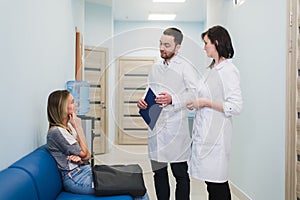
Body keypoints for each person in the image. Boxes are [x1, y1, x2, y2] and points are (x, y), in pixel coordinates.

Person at [46, 90, 149, 199]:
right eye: (72, 102)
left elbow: (86, 156)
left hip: (85, 170)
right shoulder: (57, 132)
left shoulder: (68, 127)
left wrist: (82, 158)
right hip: (76, 179)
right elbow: (85, 153)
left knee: (137, 183)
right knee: (136, 188)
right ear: (62, 107)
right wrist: (79, 127)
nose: (76, 104)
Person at [137, 27, 198, 200]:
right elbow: (150, 88)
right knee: (159, 174)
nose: (162, 48)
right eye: (160, 44)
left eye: (167, 45)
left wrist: (173, 99)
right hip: (156, 127)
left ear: (177, 47)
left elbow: (194, 94)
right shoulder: (156, 67)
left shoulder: (185, 67)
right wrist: (142, 101)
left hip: (175, 129)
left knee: (180, 175)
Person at [186, 25, 243, 200]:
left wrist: (205, 103)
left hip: (216, 137)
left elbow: (236, 106)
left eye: (206, 43)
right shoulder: (211, 70)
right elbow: (200, 91)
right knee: (211, 184)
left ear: (216, 43)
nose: (204, 48)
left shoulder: (228, 71)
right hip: (205, 134)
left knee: (217, 185)